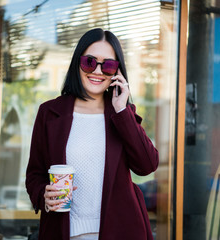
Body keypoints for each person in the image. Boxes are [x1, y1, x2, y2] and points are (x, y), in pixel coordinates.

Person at [26, 28, 159, 240]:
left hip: (119, 232)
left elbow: (147, 165)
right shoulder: (49, 113)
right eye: (90, 62)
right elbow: (34, 175)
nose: (97, 71)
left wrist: (122, 110)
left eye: (108, 65)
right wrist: (44, 196)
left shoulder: (121, 114)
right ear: (77, 63)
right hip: (64, 232)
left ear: (117, 72)